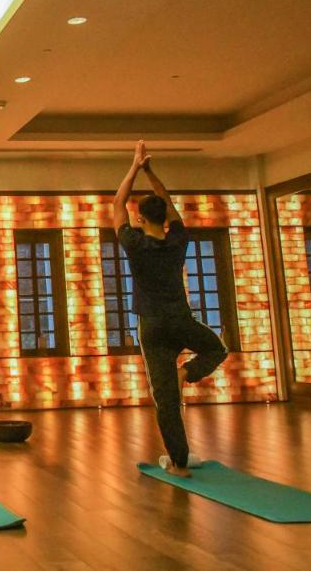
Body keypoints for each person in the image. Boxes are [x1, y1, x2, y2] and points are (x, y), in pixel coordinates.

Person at [113, 140, 228, 477]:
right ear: (163, 217)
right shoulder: (178, 240)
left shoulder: (134, 244)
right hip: (180, 320)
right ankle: (187, 372)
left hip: (152, 326)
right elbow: (170, 206)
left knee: (165, 400)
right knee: (217, 348)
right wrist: (151, 172)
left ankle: (179, 464)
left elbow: (117, 202)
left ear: (139, 217)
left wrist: (133, 168)